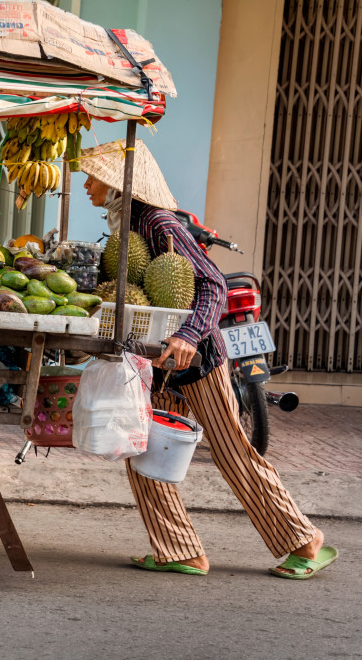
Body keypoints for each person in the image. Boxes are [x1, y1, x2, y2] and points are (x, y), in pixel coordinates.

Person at [79, 139, 337, 580]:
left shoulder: (158, 223)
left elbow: (213, 283)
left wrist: (188, 336)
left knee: (232, 451)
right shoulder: (126, 223)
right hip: (155, 362)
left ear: (118, 181)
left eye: (93, 175)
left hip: (197, 359)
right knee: (144, 448)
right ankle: (179, 549)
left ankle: (303, 539)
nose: (86, 184)